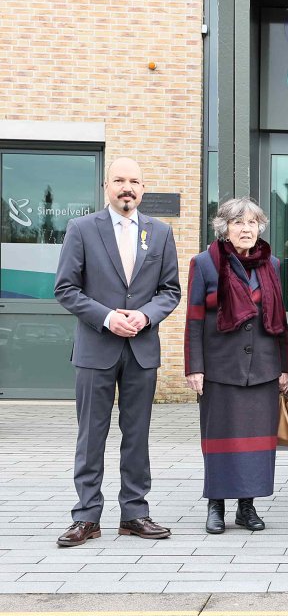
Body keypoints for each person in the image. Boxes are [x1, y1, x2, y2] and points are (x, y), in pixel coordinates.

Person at [53, 156, 181, 547]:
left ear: (142, 189)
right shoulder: (81, 229)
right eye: (120, 181)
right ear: (107, 186)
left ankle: (135, 514)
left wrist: (144, 316)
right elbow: (66, 289)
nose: (128, 188)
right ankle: (86, 517)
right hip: (97, 347)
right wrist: (108, 318)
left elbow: (171, 291)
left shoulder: (159, 232)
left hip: (141, 350)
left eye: (135, 182)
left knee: (137, 434)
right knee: (91, 434)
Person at [184, 198, 288, 534]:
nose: (246, 229)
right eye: (238, 223)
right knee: (220, 438)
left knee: (256, 443)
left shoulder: (271, 264)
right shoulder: (204, 264)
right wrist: (194, 367)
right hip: (220, 367)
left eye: (252, 223)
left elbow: (281, 320)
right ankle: (216, 505)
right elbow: (194, 320)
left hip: (263, 367)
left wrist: (284, 367)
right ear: (224, 229)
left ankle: (247, 507)